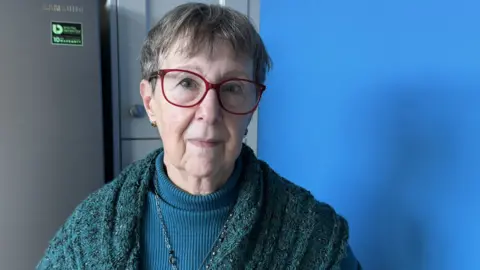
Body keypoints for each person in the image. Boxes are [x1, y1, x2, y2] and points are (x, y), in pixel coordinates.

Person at [37, 3, 361, 269]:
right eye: (187, 83)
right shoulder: (90, 232)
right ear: (150, 103)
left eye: (233, 88)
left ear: (253, 106)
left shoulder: (310, 235)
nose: (209, 112)